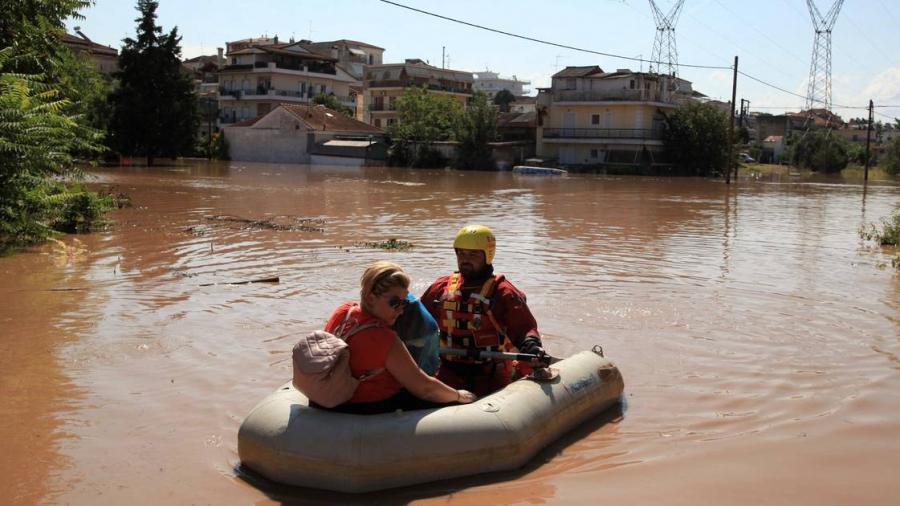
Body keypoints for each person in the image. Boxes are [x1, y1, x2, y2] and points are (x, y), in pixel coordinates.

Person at [321, 261, 476, 414]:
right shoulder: (384, 339)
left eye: (404, 303)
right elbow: (425, 388)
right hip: (371, 407)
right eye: (394, 303)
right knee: (454, 404)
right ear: (369, 298)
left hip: (334, 401)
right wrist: (458, 395)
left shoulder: (343, 312)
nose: (401, 311)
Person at [421, 225, 545, 397]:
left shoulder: (503, 292)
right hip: (448, 371)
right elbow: (417, 320)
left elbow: (524, 328)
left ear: (487, 255)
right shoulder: (441, 288)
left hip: (490, 373)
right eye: (462, 253)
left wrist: (532, 346)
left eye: (473, 254)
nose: (465, 259)